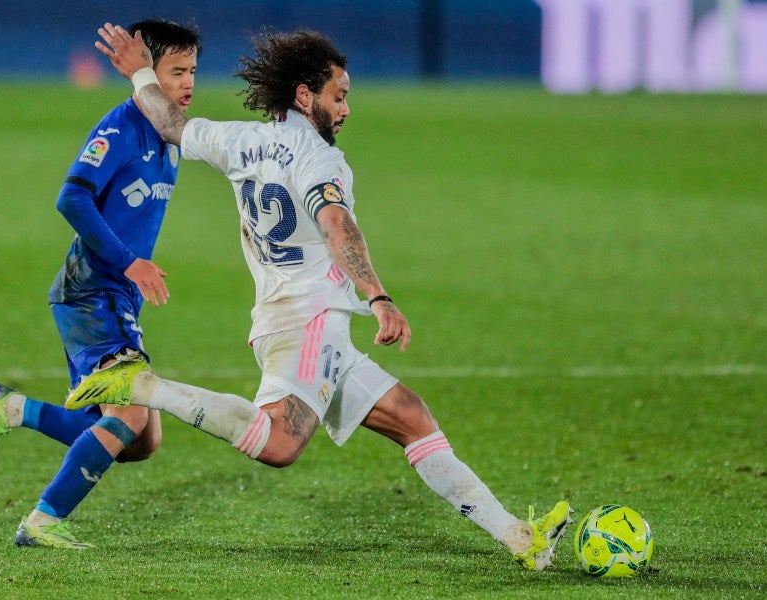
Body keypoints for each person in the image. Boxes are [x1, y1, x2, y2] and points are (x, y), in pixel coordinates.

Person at [69, 23, 571, 570]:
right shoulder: (319, 159)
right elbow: (336, 225)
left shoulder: (242, 139)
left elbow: (168, 123)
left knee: (411, 417)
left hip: (289, 319)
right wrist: (377, 295)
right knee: (280, 444)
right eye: (340, 95)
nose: (347, 108)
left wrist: (140, 72)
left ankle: (519, 538)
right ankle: (146, 387)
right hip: (309, 321)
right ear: (305, 96)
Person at [0, 19, 201, 549]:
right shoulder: (119, 128)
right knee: (131, 414)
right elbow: (71, 198)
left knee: (141, 440)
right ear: (145, 73)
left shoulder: (172, 139)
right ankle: (42, 521)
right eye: (176, 71)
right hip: (90, 292)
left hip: (114, 296)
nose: (188, 83)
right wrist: (130, 262)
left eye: (193, 72)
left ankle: (13, 410)